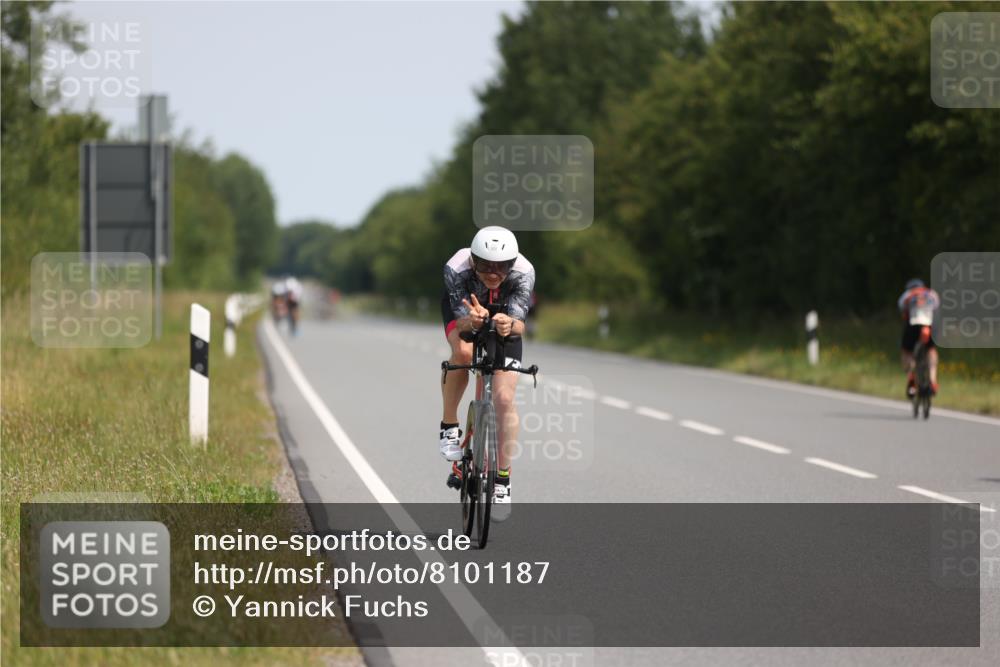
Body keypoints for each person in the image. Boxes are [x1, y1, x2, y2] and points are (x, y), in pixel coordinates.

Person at [439, 226, 535, 519]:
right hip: (468, 312)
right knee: (464, 355)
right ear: (473, 260)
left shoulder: (523, 271)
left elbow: (520, 326)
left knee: (504, 399)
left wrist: (507, 324)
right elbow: (463, 324)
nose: (493, 273)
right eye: (485, 266)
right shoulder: (457, 267)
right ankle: (449, 426)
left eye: (502, 267)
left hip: (505, 314)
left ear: (512, 263)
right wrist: (473, 321)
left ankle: (502, 480)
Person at [897, 278, 940, 397]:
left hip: (913, 325)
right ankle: (932, 381)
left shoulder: (907, 295)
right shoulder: (931, 294)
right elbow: (937, 310)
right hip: (929, 326)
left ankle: (911, 376)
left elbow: (903, 311)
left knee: (907, 352)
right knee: (931, 350)